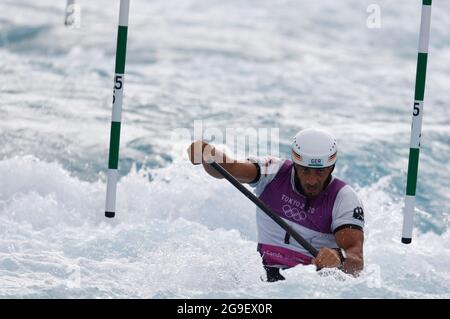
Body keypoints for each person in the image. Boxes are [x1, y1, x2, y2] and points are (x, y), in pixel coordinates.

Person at [187, 128, 364, 282]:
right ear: (295, 163)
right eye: (305, 170)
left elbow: (356, 260)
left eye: (320, 172)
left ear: (331, 167)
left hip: (309, 284)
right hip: (261, 277)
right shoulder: (273, 172)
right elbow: (229, 168)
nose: (311, 180)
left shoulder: (344, 198)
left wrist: (339, 257)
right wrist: (206, 153)